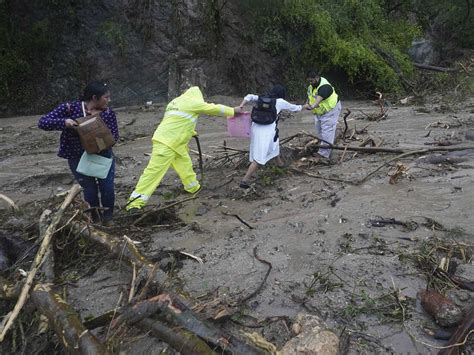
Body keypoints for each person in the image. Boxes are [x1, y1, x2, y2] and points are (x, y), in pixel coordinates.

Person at [126, 86, 242, 210]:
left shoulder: (175, 102)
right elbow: (213, 108)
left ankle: (193, 188)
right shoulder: (193, 102)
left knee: (185, 165)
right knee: (153, 172)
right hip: (168, 143)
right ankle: (134, 203)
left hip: (173, 142)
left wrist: (191, 132)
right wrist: (233, 111)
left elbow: (178, 121)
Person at [38, 81, 119, 224]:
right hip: (76, 156)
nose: (109, 100)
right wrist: (65, 122)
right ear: (95, 97)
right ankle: (94, 219)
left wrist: (100, 140)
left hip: (102, 156)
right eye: (106, 97)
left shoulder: (108, 113)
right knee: (90, 189)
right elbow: (43, 122)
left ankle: (108, 218)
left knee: (107, 187)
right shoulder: (70, 109)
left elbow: (114, 136)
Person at [238, 85, 308, 188]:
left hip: (255, 128)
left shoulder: (261, 98)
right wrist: (305, 106)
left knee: (274, 144)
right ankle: (245, 180)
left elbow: (249, 96)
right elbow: (296, 108)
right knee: (259, 157)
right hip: (266, 131)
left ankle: (280, 164)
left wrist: (241, 106)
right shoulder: (280, 102)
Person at [305, 70, 342, 162]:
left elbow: (318, 100)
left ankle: (324, 155)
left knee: (327, 132)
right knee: (319, 130)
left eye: (311, 81)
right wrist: (306, 104)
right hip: (319, 112)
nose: (310, 83)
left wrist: (311, 106)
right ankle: (323, 149)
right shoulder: (311, 86)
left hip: (331, 111)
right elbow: (310, 97)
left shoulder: (324, 87)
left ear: (317, 78)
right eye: (309, 81)